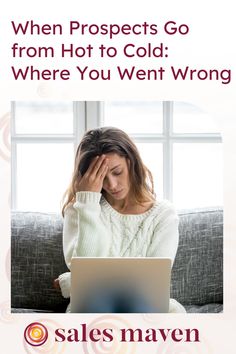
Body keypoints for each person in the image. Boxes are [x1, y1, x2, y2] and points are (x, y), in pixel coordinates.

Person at [54, 126, 186, 313]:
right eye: (101, 178)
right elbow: (85, 272)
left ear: (131, 162)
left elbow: (152, 283)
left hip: (143, 307)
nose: (111, 185)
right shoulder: (80, 209)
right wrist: (88, 205)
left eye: (117, 172)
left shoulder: (164, 215)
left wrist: (71, 281)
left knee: (175, 312)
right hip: (92, 308)